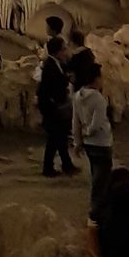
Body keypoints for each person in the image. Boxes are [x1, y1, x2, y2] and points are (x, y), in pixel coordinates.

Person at [70, 55, 113, 217]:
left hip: (89, 145)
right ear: (96, 79)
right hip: (102, 142)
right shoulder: (99, 100)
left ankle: (98, 206)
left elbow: (75, 121)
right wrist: (89, 131)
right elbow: (97, 123)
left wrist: (78, 141)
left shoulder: (77, 97)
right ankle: (97, 209)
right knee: (102, 179)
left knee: (96, 174)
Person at [36, 34, 77, 177]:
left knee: (59, 138)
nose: (66, 51)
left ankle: (67, 165)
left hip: (56, 106)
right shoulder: (50, 66)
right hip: (52, 107)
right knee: (54, 139)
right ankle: (48, 168)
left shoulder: (56, 64)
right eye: (64, 49)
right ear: (58, 51)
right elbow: (47, 88)